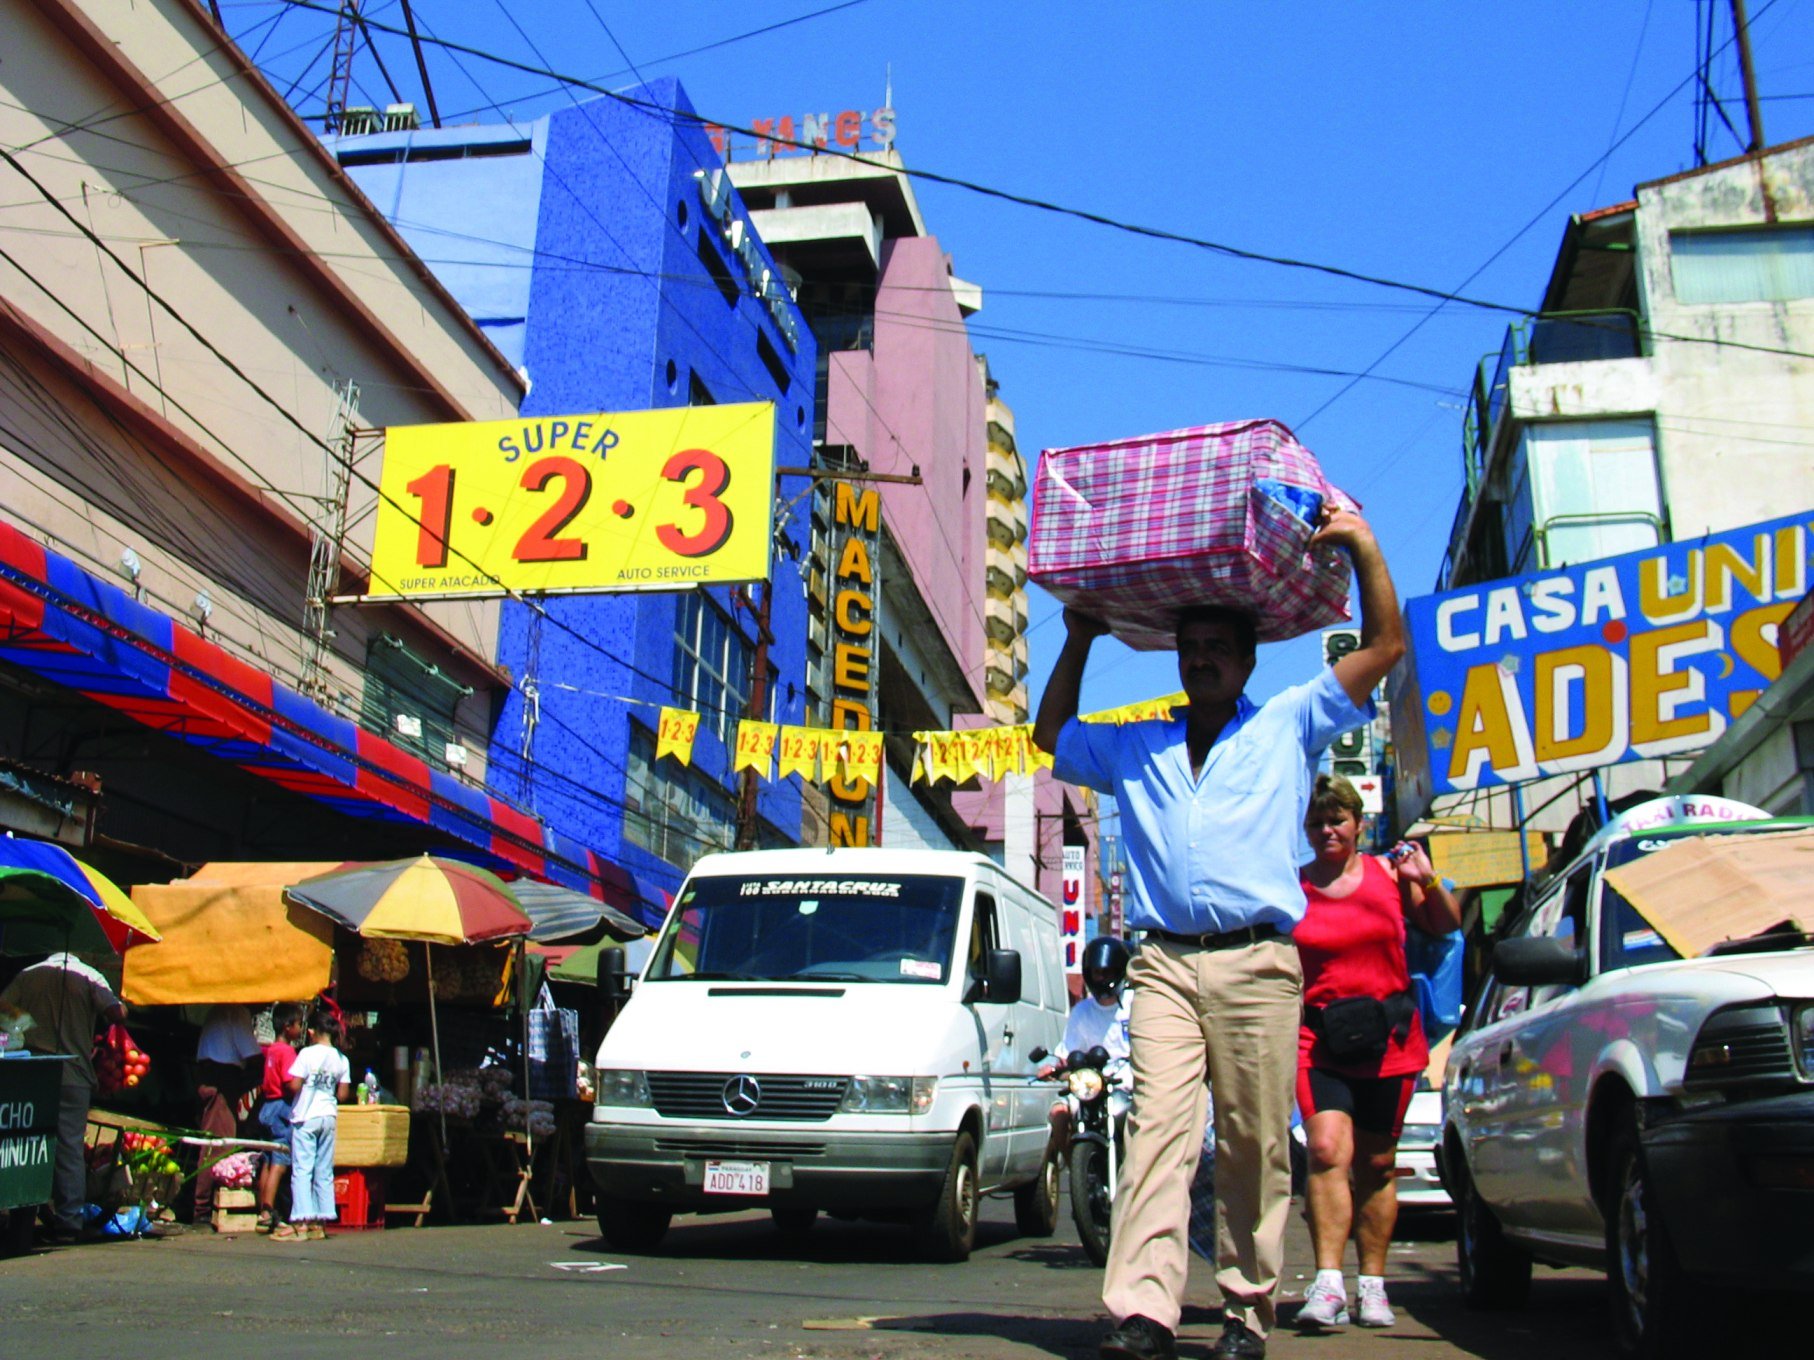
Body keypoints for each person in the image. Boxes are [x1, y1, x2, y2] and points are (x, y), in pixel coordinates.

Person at [1033, 504, 1403, 1360]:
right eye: (1189, 647)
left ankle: (1245, 1309)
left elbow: (1383, 649)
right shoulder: (1139, 748)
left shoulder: (1289, 725)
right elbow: (1052, 736)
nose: (1201, 658)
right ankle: (1143, 1313)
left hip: (1260, 965)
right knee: (1157, 1131)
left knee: (1252, 1144)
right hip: (1162, 966)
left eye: (1217, 649)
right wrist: (1080, 638)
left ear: (1245, 663)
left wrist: (1364, 545)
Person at [1293, 775, 1461, 1332]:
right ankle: (1327, 1283)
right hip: (1317, 1040)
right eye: (1317, 822)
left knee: (1378, 1163)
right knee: (1324, 1149)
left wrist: (1428, 878)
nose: (1327, 831)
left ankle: (1372, 1285)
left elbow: (1444, 925)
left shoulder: (1390, 875)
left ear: (1359, 824)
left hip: (1388, 1039)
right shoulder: (1292, 889)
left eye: (1337, 820)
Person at [0, 953, 126, 1244]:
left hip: (33, 1074)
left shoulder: (29, 974)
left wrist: (26, 1020)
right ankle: (69, 1222)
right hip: (73, 1074)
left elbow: (3, 1006)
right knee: (69, 1148)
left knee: (28, 1143)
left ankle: (23, 1216)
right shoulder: (88, 976)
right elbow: (117, 1013)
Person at [271, 1006, 349, 1242]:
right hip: (328, 1115)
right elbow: (343, 1094)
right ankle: (320, 1222)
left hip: (306, 1116)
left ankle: (301, 1223)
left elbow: (294, 1085)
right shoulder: (341, 1059)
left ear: (313, 1032)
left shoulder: (306, 1054)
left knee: (302, 1170)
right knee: (324, 1170)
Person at [191, 1002, 262, 1221]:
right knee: (218, 1144)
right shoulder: (237, 1011)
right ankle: (201, 1206)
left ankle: (203, 1202)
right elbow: (251, 1053)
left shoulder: (221, 1009)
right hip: (220, 1078)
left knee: (214, 1141)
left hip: (213, 1075)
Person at [253, 1002, 305, 1234]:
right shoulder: (288, 1052)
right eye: (298, 1024)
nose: (300, 1029)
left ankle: (261, 1208)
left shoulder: (272, 1049)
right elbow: (291, 1084)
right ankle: (267, 1211)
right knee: (280, 1163)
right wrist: (303, 1078)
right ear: (287, 1027)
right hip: (281, 1108)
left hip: (267, 1106)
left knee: (267, 1159)